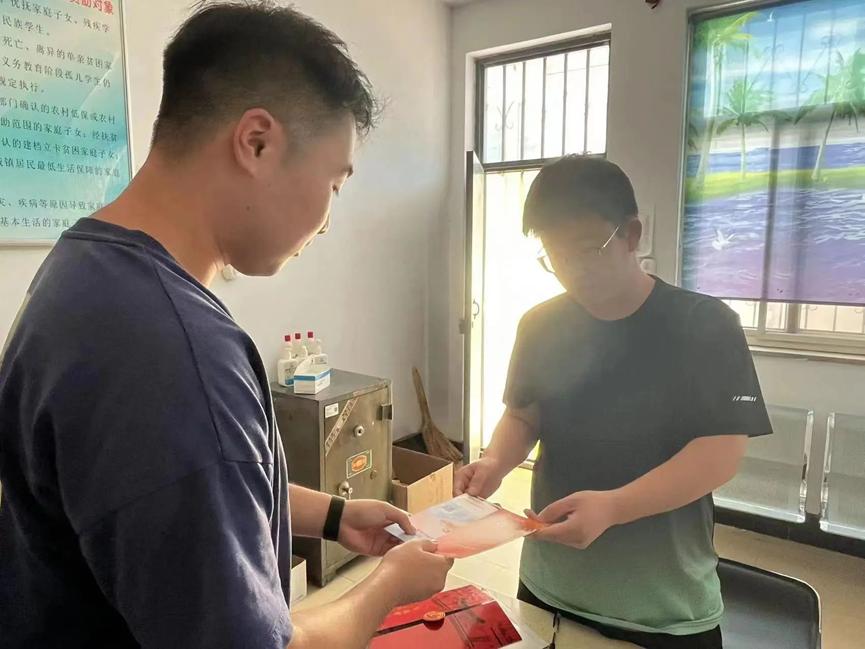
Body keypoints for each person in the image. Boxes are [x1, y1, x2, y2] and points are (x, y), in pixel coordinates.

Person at [0, 3, 452, 648]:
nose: (328, 221)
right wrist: (387, 587)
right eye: (334, 183)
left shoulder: (85, 267)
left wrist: (335, 514)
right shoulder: (175, 352)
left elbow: (184, 488)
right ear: (257, 141)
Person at [455, 156, 772, 649]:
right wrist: (496, 461)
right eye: (555, 255)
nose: (572, 271)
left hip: (663, 607)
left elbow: (722, 452)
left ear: (632, 234)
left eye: (588, 250)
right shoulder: (539, 325)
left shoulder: (705, 325)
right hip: (549, 586)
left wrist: (615, 507)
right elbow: (523, 414)